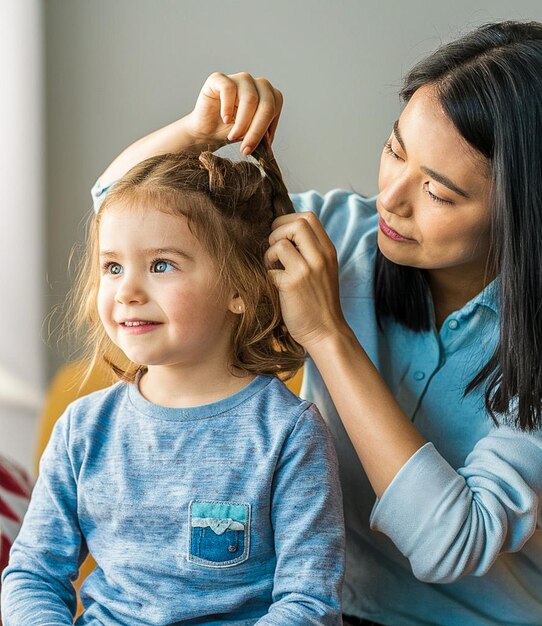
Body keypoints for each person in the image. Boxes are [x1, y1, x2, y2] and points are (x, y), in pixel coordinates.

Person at [38, 19, 542, 625]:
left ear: (531, 213)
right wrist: (196, 132)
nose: (392, 199)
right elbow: (120, 214)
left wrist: (328, 334)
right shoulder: (337, 236)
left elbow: (452, 542)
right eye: (395, 150)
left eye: (439, 192)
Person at [1, 141, 345, 625]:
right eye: (113, 266)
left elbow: (308, 603)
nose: (128, 291)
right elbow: (33, 575)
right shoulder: (82, 428)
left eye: (161, 265)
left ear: (241, 290)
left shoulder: (290, 433)